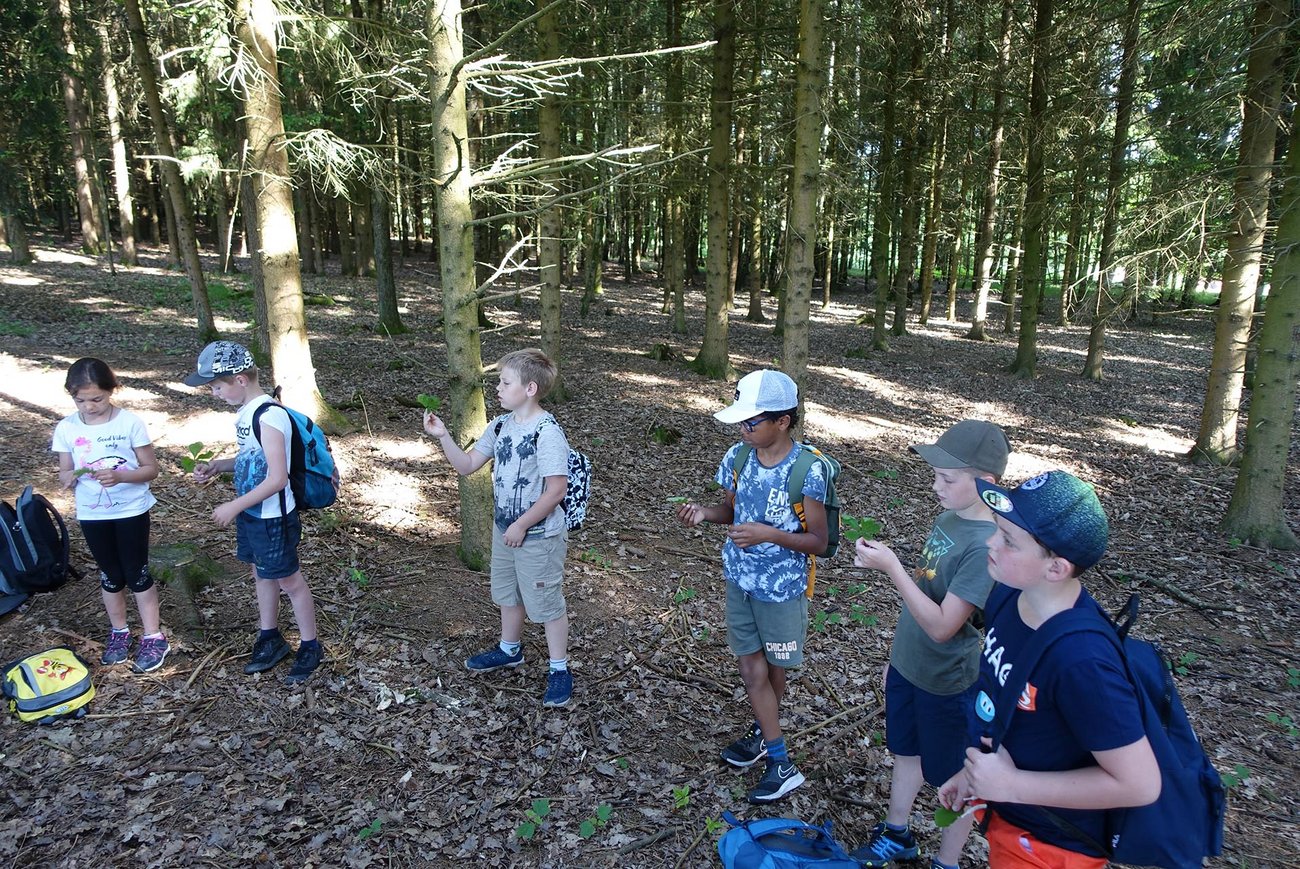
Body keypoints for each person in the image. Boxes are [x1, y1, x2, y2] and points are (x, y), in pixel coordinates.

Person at [938, 471, 1161, 868]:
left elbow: (1140, 784)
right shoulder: (1008, 596)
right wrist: (973, 775)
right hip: (1010, 816)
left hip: (1053, 847)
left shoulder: (1082, 660)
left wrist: (1013, 785)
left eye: (1008, 540)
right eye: (997, 529)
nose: (990, 542)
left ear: (1056, 569)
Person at [851, 419, 1011, 869]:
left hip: (947, 682)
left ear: (985, 482)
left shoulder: (985, 547)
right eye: (936, 475)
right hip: (912, 666)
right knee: (907, 751)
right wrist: (898, 659)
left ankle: (948, 860)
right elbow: (924, 596)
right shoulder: (950, 518)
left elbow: (944, 626)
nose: (936, 486)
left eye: (947, 478)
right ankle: (897, 832)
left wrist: (892, 569)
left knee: (954, 773)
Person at [677, 369, 829, 803]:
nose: (743, 429)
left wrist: (769, 535)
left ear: (782, 421)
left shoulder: (808, 470)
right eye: (740, 421)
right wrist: (705, 513)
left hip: (782, 591)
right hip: (740, 581)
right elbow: (732, 510)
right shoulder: (738, 457)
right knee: (750, 669)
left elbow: (819, 542)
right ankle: (780, 759)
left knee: (774, 668)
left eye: (751, 422)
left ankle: (766, 735)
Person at [422, 349, 574, 708]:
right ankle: (510, 650)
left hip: (538, 535)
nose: (498, 388)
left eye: (506, 382)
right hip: (505, 529)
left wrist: (521, 525)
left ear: (530, 388)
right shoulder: (501, 426)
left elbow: (556, 490)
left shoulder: (547, 433)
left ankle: (559, 668)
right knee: (508, 593)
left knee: (546, 603)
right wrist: (443, 436)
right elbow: (467, 465)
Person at [186, 341, 322, 685]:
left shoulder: (269, 416)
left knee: (289, 581)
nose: (214, 393)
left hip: (273, 516)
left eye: (217, 386)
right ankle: (270, 636)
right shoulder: (248, 414)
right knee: (262, 574)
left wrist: (234, 505)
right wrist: (219, 465)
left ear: (240, 379)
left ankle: (310, 645)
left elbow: (277, 478)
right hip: (254, 514)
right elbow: (254, 459)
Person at [52, 357, 167, 673]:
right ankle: (119, 632)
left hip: (131, 510)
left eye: (97, 399)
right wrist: (69, 478)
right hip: (92, 513)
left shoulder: (129, 423)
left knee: (136, 572)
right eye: (81, 400)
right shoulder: (67, 428)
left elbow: (151, 469)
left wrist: (120, 476)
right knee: (110, 575)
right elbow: (64, 470)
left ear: (112, 390)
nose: (89, 407)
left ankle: (153, 636)